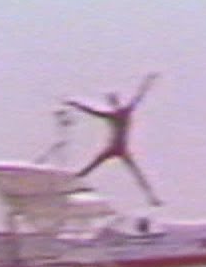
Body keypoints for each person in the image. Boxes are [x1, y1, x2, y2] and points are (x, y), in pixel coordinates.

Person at [66, 73, 163, 206]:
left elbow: (139, 95)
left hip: (117, 148)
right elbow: (91, 111)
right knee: (93, 168)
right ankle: (152, 198)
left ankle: (152, 198)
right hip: (117, 148)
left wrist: (148, 81)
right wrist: (75, 104)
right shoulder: (118, 114)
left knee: (134, 173)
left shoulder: (119, 114)